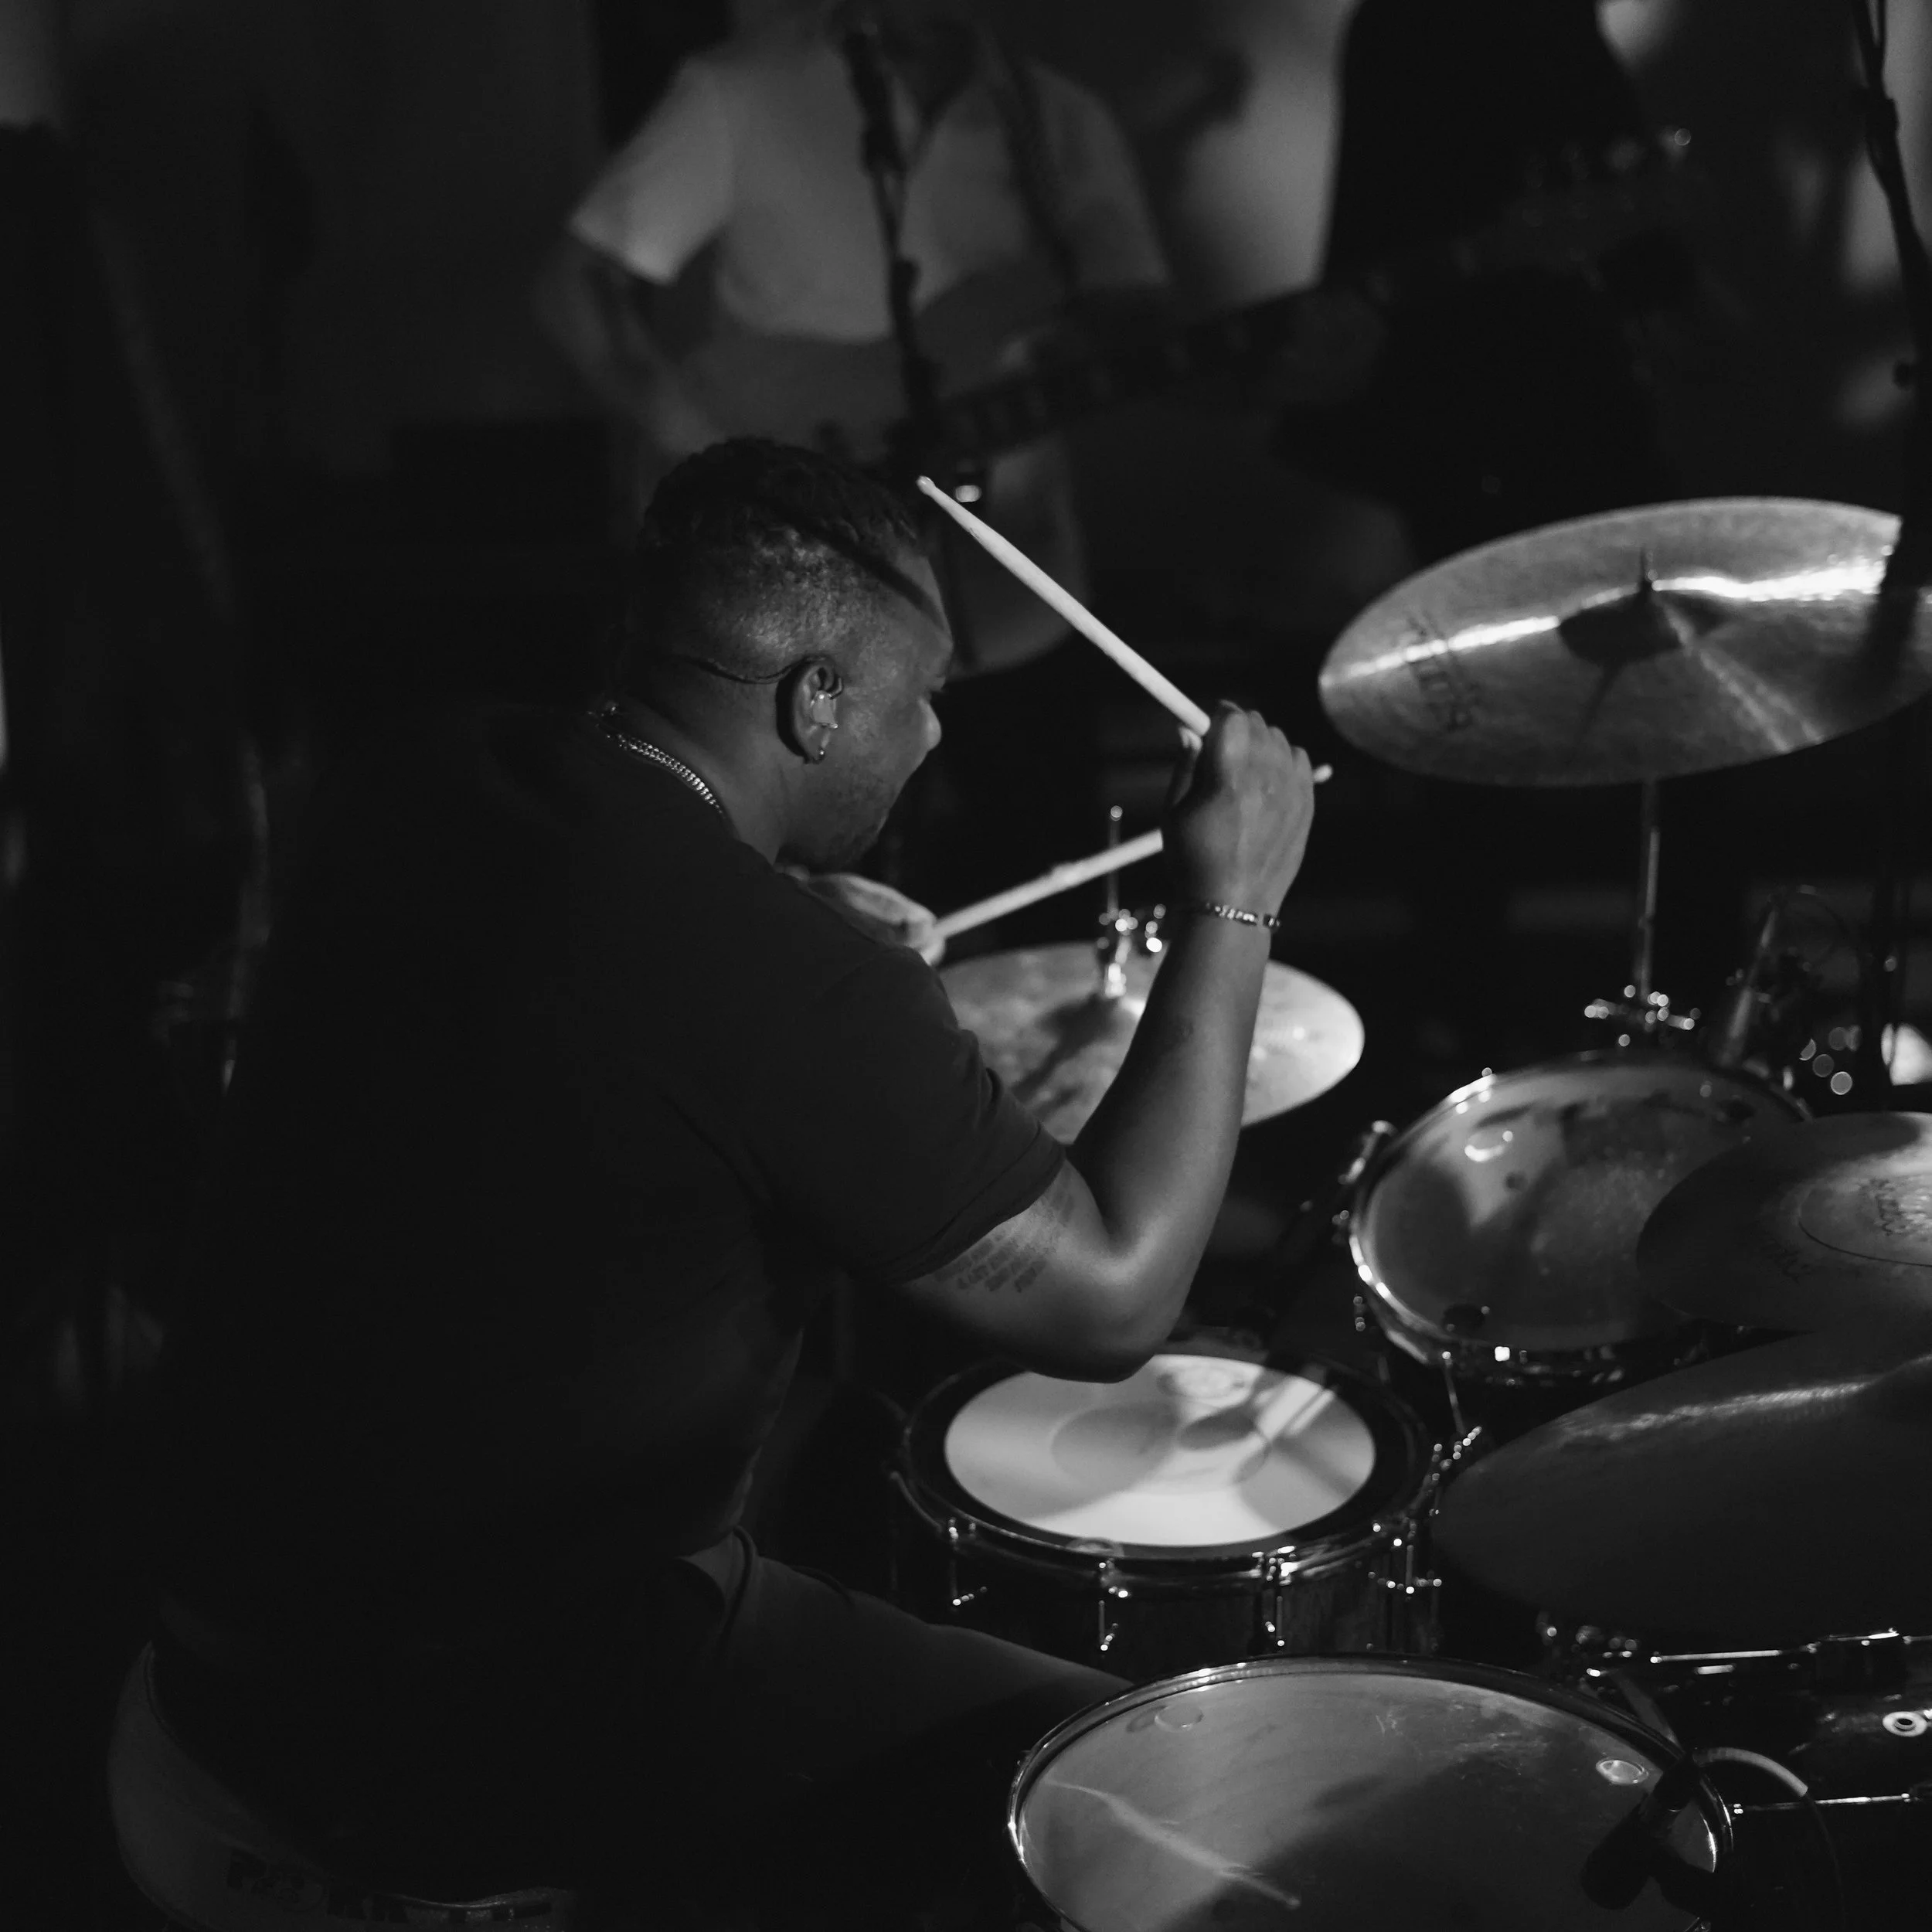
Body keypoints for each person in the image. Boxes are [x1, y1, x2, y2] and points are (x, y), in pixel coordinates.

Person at [137, 438, 1317, 1927]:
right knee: (1160, 1785)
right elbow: (1115, 1297)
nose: (940, 734)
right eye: (921, 691)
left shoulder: (410, 781)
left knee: (839, 1459)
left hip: (227, 1632)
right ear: (816, 699)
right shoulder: (794, 989)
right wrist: (1233, 898)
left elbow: (600, 984)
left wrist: (786, 921)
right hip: (459, 1714)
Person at [536, 0, 1175, 920]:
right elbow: (574, 289)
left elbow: (1135, 326)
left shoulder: (1055, 118)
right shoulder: (740, 90)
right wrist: (712, 457)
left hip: (1009, 580)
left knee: (1040, 900)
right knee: (805, 906)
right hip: (810, 610)